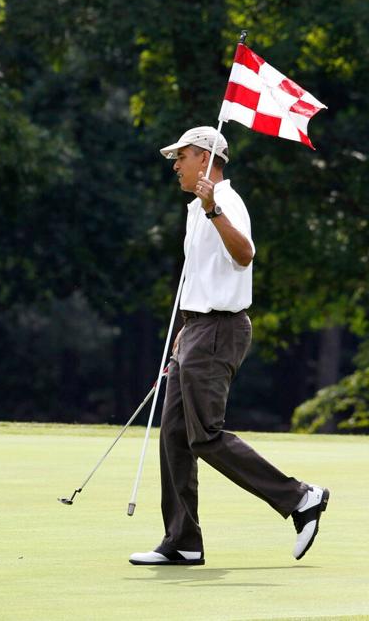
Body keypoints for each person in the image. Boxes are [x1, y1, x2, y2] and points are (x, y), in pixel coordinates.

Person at [129, 126, 329, 566]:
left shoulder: (225, 202)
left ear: (205, 157)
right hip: (198, 328)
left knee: (205, 435)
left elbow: (244, 254)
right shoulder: (196, 208)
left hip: (220, 330)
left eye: (181, 156)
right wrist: (186, 327)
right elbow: (205, 277)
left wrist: (214, 209)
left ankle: (300, 497)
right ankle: (183, 541)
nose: (175, 166)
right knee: (175, 436)